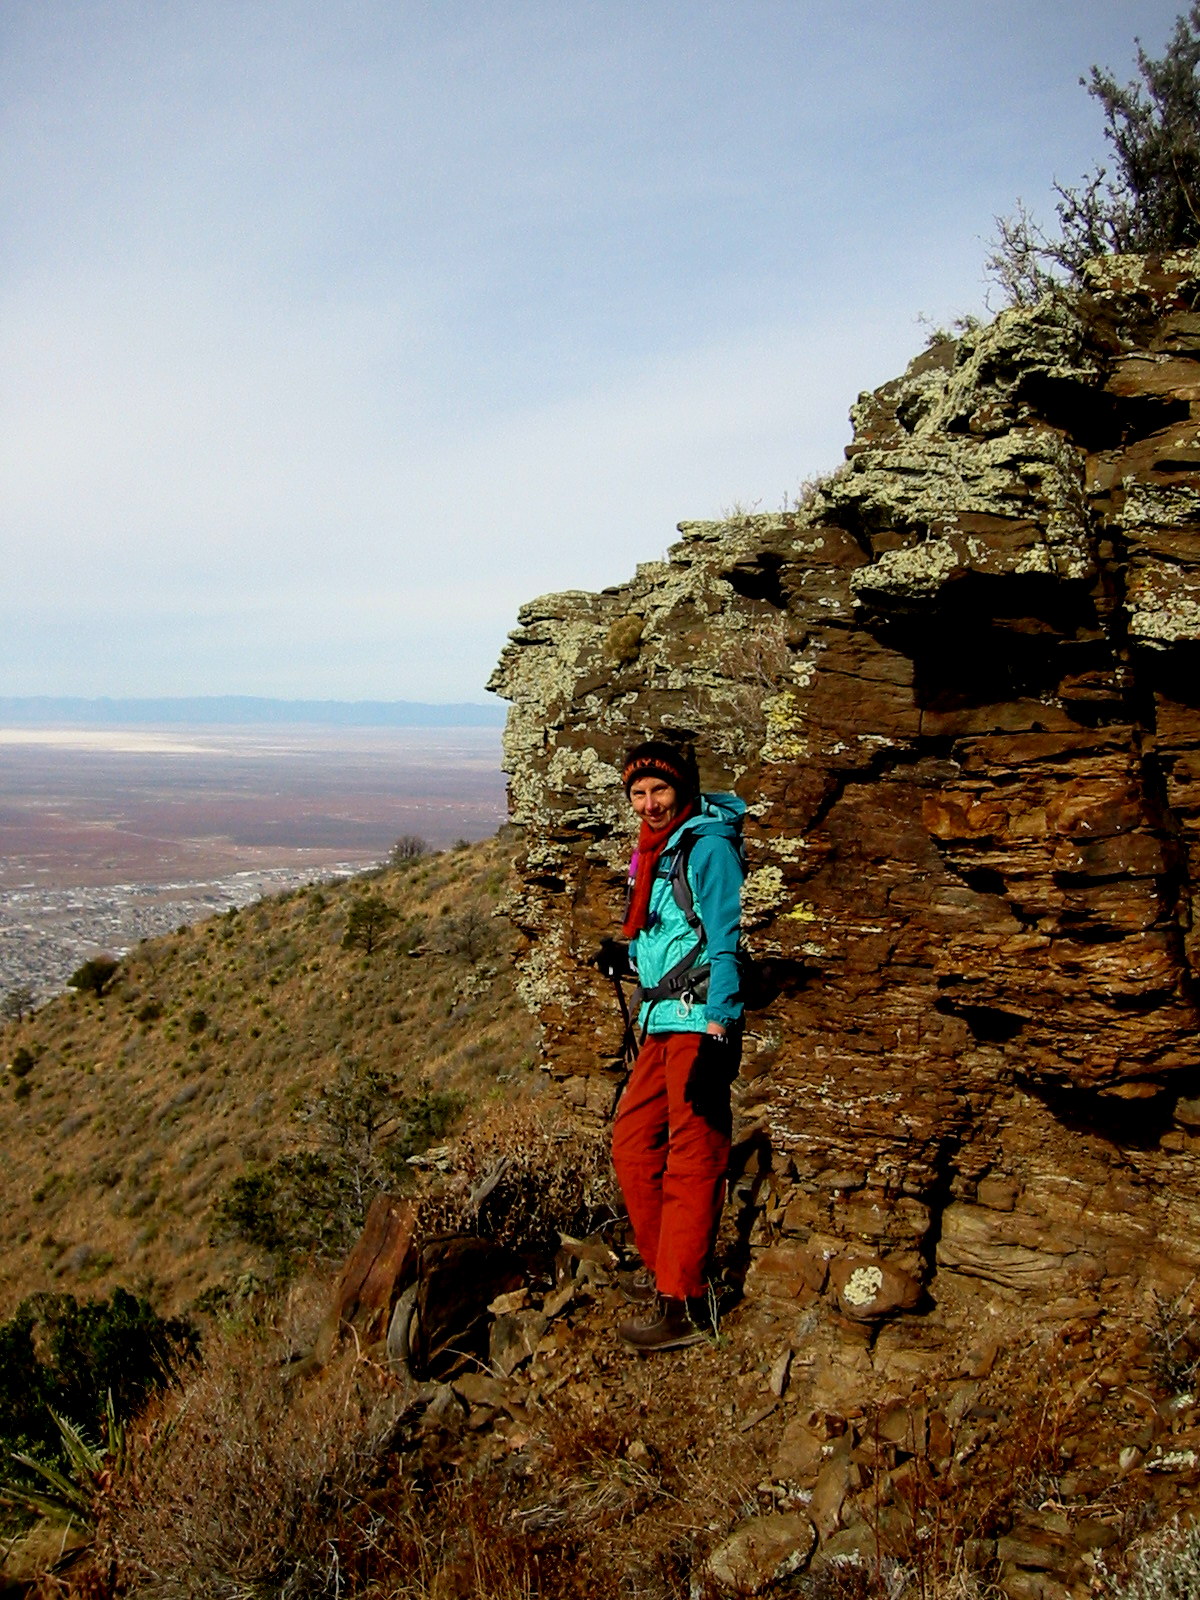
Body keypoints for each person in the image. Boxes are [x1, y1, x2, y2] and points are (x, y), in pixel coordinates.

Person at [597, 740, 746, 1352]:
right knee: (632, 1144)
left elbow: (725, 939)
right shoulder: (656, 852)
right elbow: (669, 936)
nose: (650, 803)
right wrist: (627, 956)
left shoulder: (707, 846)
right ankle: (666, 1270)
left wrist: (720, 1031)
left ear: (683, 790)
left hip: (697, 1022)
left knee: (693, 1154)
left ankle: (683, 1300)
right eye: (639, 793)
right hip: (662, 1018)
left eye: (660, 791)